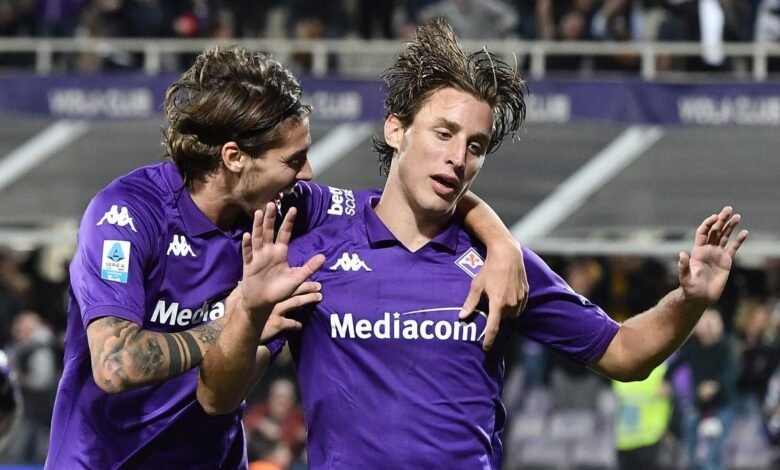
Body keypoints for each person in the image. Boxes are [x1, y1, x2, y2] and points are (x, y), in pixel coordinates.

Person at [198, 17, 749, 469]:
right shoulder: (314, 246)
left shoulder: (497, 262)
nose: (459, 157)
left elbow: (624, 354)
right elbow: (217, 398)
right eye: (444, 133)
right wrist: (245, 315)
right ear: (397, 131)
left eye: (476, 145)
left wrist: (691, 299)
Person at [45, 45, 529, 469]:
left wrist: (501, 241)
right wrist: (235, 323)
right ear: (235, 158)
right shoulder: (128, 213)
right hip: (103, 462)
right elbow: (115, 365)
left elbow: (400, 199)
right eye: (293, 160)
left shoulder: (290, 202)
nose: (309, 172)